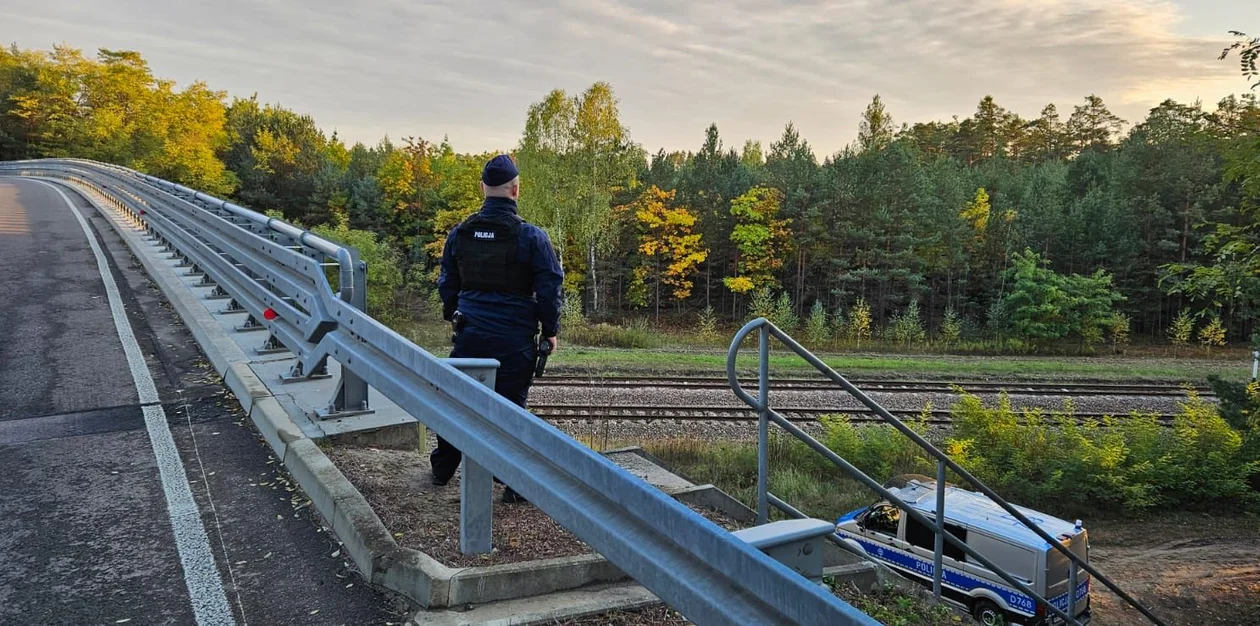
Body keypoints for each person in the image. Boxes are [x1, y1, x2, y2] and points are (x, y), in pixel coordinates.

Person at [431, 154, 564, 503]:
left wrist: (455, 316)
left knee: (457, 403)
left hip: (470, 331)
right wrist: (550, 330)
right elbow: (550, 286)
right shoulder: (532, 237)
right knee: (510, 409)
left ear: (482, 189)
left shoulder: (460, 233)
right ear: (515, 190)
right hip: (514, 338)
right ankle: (513, 485)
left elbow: (447, 283)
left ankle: (442, 469)